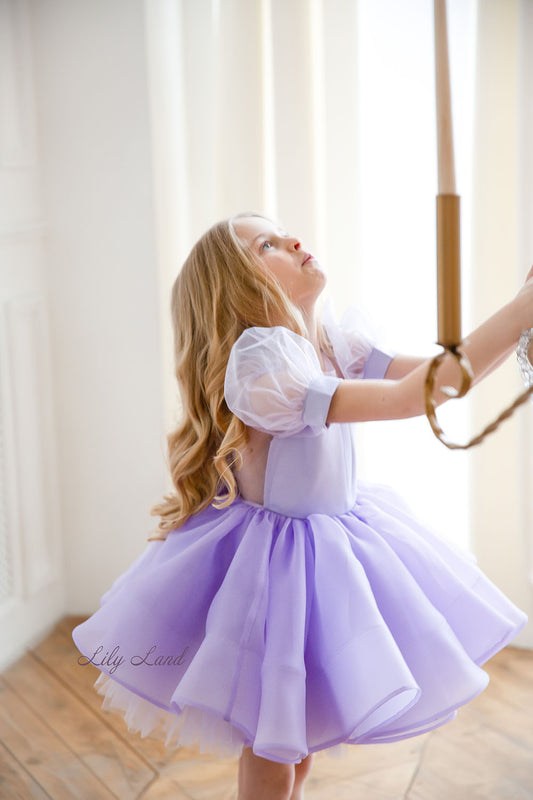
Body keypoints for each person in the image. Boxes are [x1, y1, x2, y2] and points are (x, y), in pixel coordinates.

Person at [72, 212, 529, 800]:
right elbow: (400, 400)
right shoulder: (262, 363)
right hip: (273, 574)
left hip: (331, 552)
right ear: (239, 287)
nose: (292, 239)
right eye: (266, 244)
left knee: (299, 741)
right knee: (272, 746)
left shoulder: (336, 344)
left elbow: (444, 382)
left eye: (283, 231)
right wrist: (519, 313)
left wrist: (521, 317)